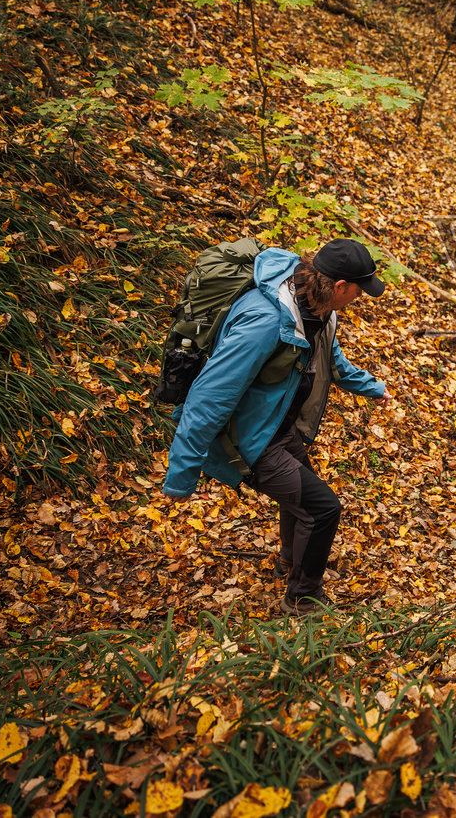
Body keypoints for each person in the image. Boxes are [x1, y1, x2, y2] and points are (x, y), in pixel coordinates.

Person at [163, 238, 388, 614]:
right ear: (339, 287)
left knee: (303, 495)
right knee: (323, 508)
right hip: (248, 439)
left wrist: (373, 388)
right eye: (360, 291)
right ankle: (303, 600)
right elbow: (209, 397)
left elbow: (332, 361)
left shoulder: (319, 311)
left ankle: (289, 562)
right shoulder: (265, 321)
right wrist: (181, 475)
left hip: (278, 427)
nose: (360, 298)